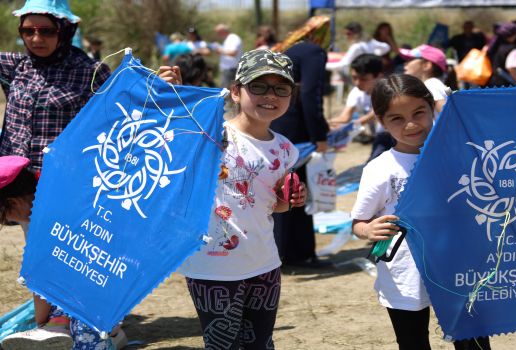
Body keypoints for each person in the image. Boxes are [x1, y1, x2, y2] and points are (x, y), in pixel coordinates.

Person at [0, 1, 181, 348]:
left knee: (73, 253)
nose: (36, 38)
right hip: (21, 183)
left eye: (46, 30)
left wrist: (161, 85)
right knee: (38, 252)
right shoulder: (16, 66)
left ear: (65, 30)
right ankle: (52, 327)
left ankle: (93, 326)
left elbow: (128, 110)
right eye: (28, 30)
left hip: (70, 184)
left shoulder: (90, 71)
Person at [177, 49, 307, 349]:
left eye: (281, 88)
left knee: (260, 344)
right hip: (212, 266)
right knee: (223, 345)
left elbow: (277, 205)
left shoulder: (287, 149)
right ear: (236, 92)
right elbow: (172, 136)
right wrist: (169, 92)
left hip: (265, 262)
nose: (269, 95)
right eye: (258, 86)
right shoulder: (212, 135)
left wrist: (292, 198)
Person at [351, 73, 491, 350]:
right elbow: (359, 222)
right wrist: (369, 229)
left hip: (460, 269)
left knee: (473, 342)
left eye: (418, 113)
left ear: (432, 108)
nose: (412, 124)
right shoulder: (380, 169)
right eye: (397, 119)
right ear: (381, 121)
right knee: (412, 342)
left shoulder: (461, 155)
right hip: (405, 276)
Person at [270, 38, 331, 267]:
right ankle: (296, 253)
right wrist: (320, 134)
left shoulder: (292, 50)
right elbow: (310, 94)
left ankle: (291, 252)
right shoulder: (314, 50)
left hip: (282, 123)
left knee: (288, 187)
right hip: (295, 128)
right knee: (293, 188)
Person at [330, 54, 391, 160]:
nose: (357, 82)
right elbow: (345, 117)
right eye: (354, 78)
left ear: (379, 76)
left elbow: (373, 115)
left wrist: (346, 127)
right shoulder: (356, 92)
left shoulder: (388, 91)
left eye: (363, 79)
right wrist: (324, 123)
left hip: (393, 137)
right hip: (378, 137)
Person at [399, 44, 451, 116]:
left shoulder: (431, 84)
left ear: (426, 66)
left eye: (410, 59)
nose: (405, 63)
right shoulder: (433, 84)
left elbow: (449, 115)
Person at [326, 22, 390, 72]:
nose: (346, 36)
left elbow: (343, 64)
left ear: (355, 33)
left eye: (348, 34)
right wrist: (374, 55)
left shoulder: (356, 47)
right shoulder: (370, 42)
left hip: (361, 75)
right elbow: (386, 47)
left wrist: (323, 65)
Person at [486, 22, 516, 87]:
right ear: (513, 34)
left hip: (490, 84)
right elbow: (511, 68)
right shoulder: (512, 48)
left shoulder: (492, 47)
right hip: (506, 86)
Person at [213, 23, 243, 88]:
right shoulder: (228, 39)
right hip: (228, 69)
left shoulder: (233, 38)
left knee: (225, 91)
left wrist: (220, 50)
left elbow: (233, 52)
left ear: (222, 31)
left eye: (218, 32)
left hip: (231, 69)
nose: (217, 34)